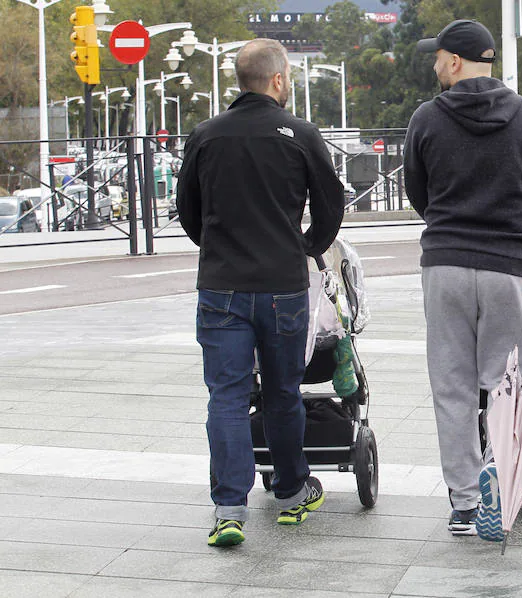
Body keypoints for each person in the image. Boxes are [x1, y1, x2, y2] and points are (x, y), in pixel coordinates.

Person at [176, 38, 345, 547]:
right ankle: (292, 492)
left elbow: (188, 208)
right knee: (282, 392)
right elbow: (330, 204)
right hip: (283, 286)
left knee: (226, 397)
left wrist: (218, 245)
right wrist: (306, 247)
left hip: (222, 286)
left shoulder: (206, 135)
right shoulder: (299, 133)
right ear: (278, 81)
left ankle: (229, 508)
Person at [404, 19, 522, 536]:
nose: (433, 66)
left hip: (445, 262)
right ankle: (501, 479)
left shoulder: (426, 118)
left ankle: (465, 501)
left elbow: (417, 193)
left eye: (437, 57)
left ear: (453, 61)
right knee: (505, 384)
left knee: (452, 385)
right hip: (508, 267)